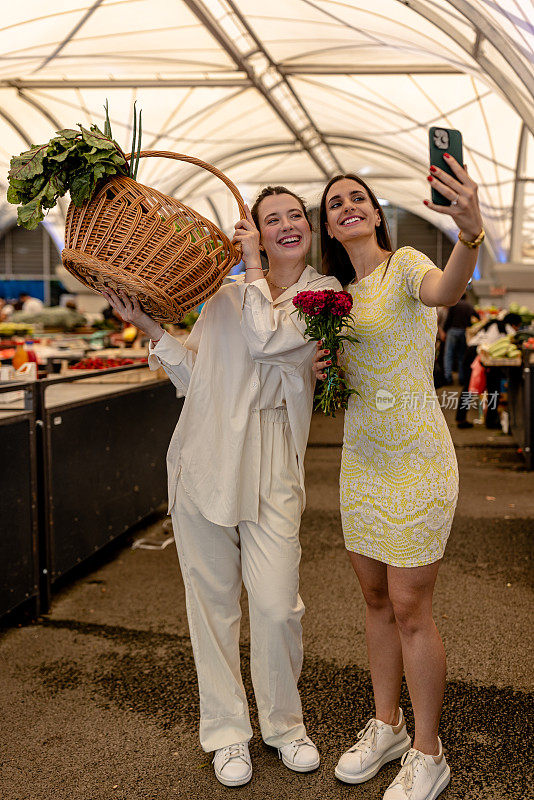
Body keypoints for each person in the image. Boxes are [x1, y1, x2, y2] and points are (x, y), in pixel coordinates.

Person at [101, 187, 342, 788]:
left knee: (275, 604)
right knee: (210, 606)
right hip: (204, 456)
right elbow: (192, 378)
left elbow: (269, 338)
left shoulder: (326, 297)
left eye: (294, 217)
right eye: (271, 219)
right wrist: (149, 326)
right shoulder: (223, 298)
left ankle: (285, 726)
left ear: (307, 230)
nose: (287, 226)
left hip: (272, 460)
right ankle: (228, 733)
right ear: (255, 229)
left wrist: (252, 264)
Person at [313, 156, 484, 800]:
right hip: (361, 459)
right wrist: (318, 368)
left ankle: (428, 751)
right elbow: (330, 384)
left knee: (412, 607)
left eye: (356, 197)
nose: (346, 206)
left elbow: (449, 291)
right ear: (327, 225)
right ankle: (386, 725)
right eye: (334, 203)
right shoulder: (332, 300)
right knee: (376, 601)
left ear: (375, 213)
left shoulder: (406, 265)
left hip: (416, 454)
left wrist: (468, 233)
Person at [456, 312, 522, 428]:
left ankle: (464, 419)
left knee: (483, 387)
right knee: (484, 387)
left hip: (474, 353)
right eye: (517, 326)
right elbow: (514, 338)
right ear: (513, 323)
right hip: (479, 355)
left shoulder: (494, 324)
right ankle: (489, 421)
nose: (517, 328)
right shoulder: (505, 328)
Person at [442, 292, 479, 384]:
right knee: (461, 355)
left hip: (452, 331)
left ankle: (448, 378)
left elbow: (448, 320)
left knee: (449, 355)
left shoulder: (454, 305)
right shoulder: (469, 306)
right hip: (464, 332)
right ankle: (461, 378)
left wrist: (444, 331)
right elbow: (477, 316)